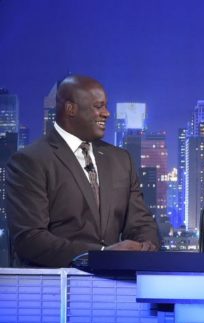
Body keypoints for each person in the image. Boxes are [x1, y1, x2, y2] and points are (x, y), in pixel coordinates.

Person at [6, 75, 159, 267]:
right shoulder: (30, 161)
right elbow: (30, 238)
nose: (107, 113)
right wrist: (100, 255)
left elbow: (141, 223)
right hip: (57, 285)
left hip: (117, 284)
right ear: (71, 109)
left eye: (106, 106)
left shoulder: (121, 160)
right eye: (98, 106)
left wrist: (145, 248)